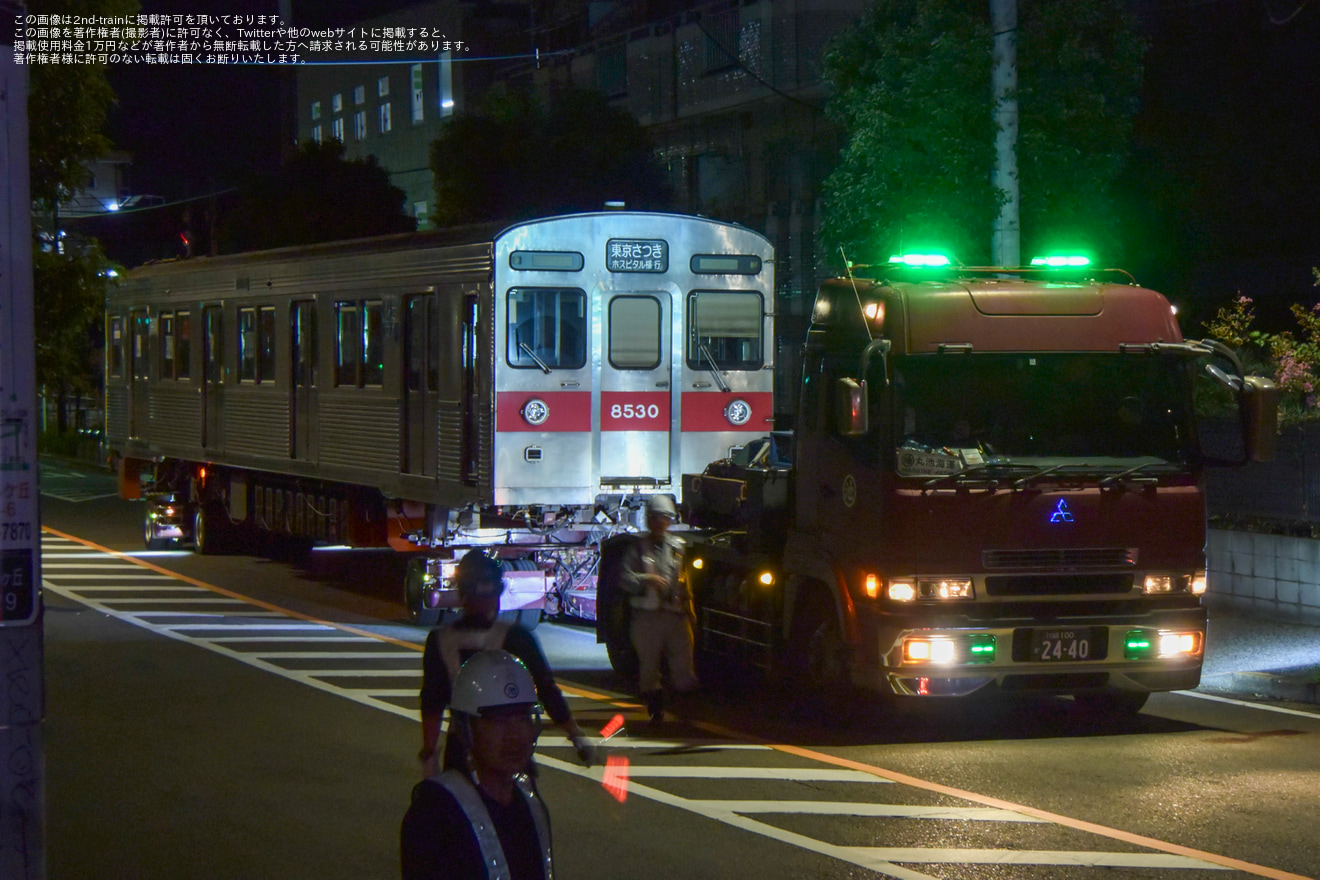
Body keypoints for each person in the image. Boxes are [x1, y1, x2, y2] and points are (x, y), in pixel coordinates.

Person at [418, 549, 592, 776]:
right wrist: (575, 734)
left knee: (462, 806)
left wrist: (429, 752)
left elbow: (432, 701)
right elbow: (546, 688)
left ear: (461, 593)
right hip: (511, 744)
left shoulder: (441, 640)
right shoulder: (516, 638)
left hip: (463, 747)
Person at [401, 650, 554, 880]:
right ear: (465, 730)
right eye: (498, 720)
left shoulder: (529, 801)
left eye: (523, 718)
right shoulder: (435, 812)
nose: (515, 735)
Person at [620, 495, 697, 724]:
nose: (659, 522)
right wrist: (646, 579)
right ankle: (656, 710)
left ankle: (686, 711)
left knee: (683, 664)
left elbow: (685, 581)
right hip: (647, 617)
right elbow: (624, 578)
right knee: (649, 666)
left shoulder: (678, 548)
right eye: (654, 518)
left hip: (675, 615)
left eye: (663, 518)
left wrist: (690, 609)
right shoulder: (637, 547)